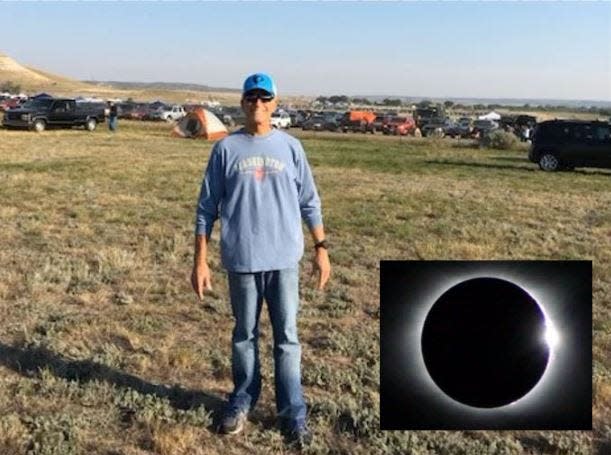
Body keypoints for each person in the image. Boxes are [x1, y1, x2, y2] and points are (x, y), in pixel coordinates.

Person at [191, 73, 331, 447]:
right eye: (250, 97)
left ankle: (292, 411)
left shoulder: (291, 147)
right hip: (241, 260)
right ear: (242, 103)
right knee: (244, 336)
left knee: (287, 339)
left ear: (274, 102)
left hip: (285, 260)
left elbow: (309, 201)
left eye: (263, 97)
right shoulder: (225, 149)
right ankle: (242, 399)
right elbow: (206, 209)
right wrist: (200, 261)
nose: (257, 103)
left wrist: (321, 248)